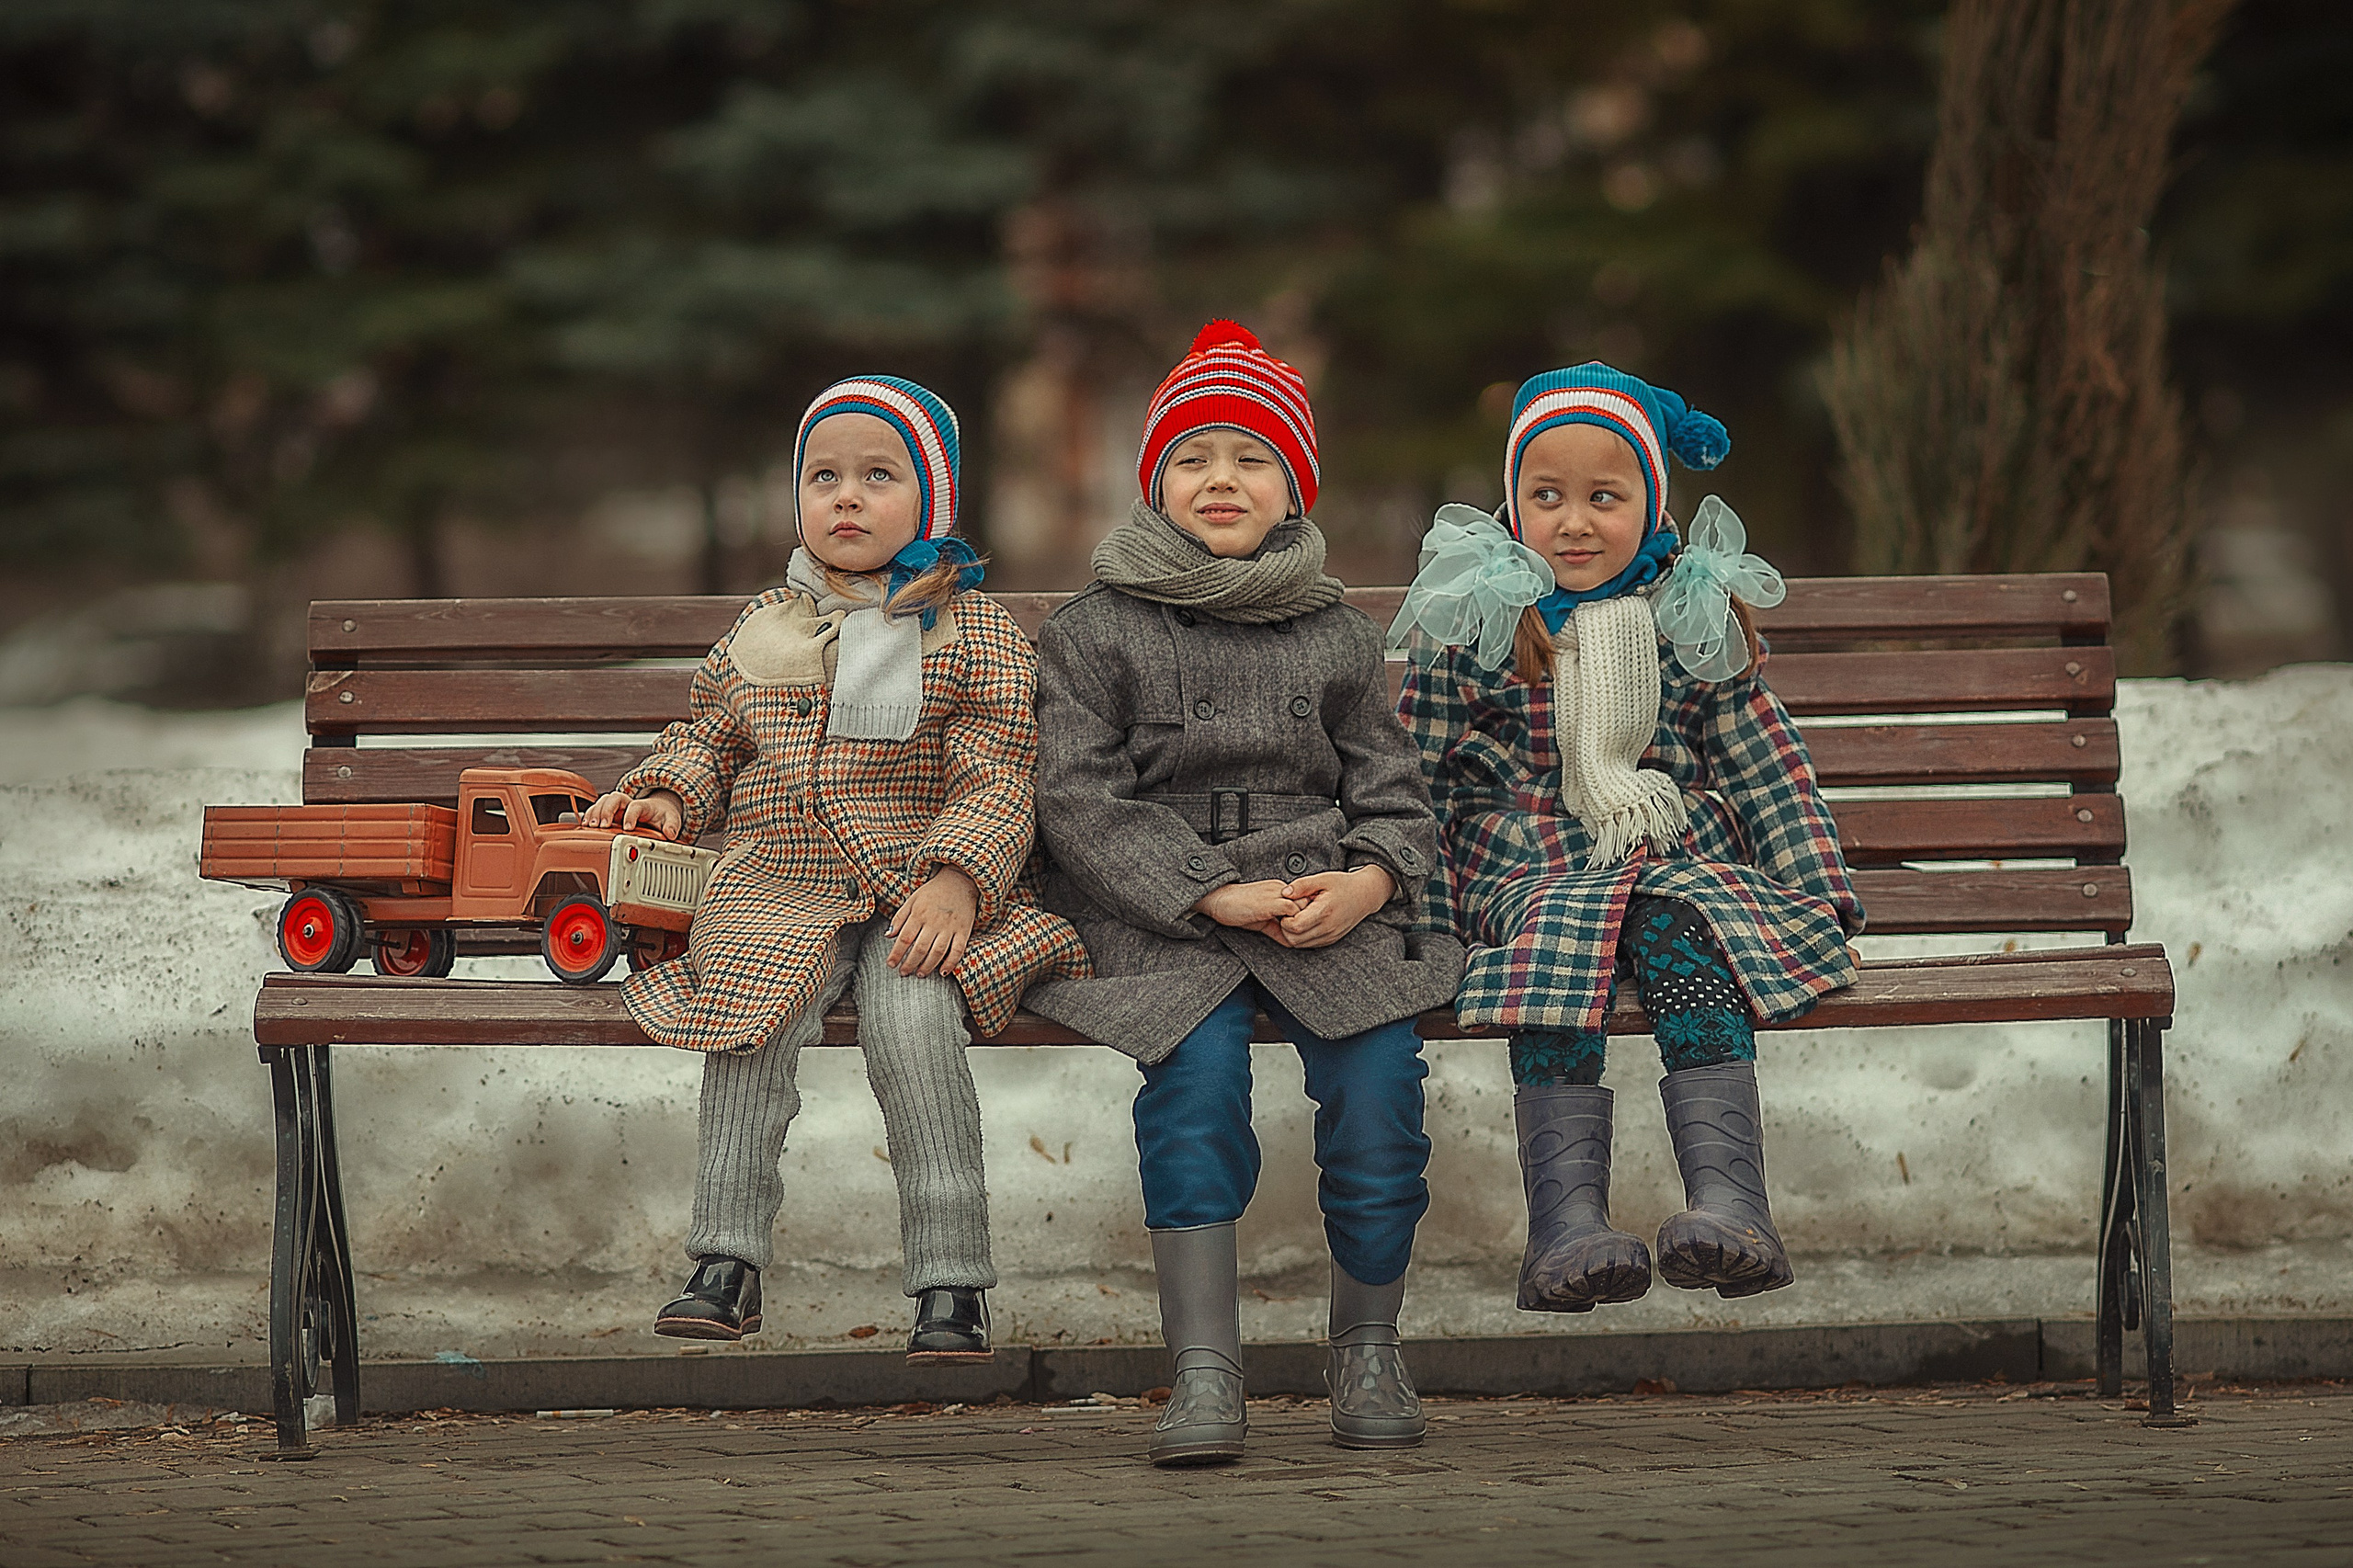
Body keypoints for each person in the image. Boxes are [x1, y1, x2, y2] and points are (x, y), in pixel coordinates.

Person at [1025, 322, 1465, 1464]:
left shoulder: (1336, 635)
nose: (1220, 478)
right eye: (1192, 457)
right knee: (1196, 1079)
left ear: (1294, 489)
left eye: (1251, 458)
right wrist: (1205, 893)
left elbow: (1394, 790)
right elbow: (1077, 800)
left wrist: (1370, 880)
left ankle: (1368, 1346)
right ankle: (1205, 1369)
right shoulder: (1095, 630)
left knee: (1379, 1091)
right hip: (1161, 914)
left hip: (1325, 901)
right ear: (1156, 483)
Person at [584, 375, 1087, 1363]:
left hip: (919, 888)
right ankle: (724, 1260)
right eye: (824, 476)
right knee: (747, 1015)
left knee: (915, 1025)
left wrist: (959, 875)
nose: (846, 496)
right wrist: (672, 795)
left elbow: (999, 770)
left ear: (931, 501)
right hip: (780, 881)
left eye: (877, 475)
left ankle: (952, 1276)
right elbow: (709, 735)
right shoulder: (766, 627)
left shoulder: (967, 630)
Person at [1393, 362, 1864, 1317]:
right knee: (1552, 957)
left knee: (1681, 927)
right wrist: (1425, 920)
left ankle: (1733, 1203)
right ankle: (1565, 1222)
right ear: (1512, 503)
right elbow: (1412, 777)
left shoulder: (1688, 613)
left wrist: (1814, 885)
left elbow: (1763, 760)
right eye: (1546, 495)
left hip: (1667, 851)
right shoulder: (1480, 620)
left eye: (1602, 496)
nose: (1572, 521)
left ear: (1651, 504)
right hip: (1526, 863)